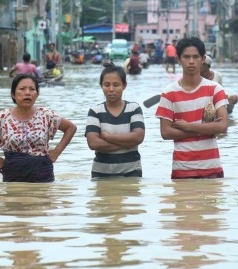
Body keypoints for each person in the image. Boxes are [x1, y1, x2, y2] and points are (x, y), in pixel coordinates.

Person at [0, 74, 77, 182]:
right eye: (22, 89)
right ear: (13, 94)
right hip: (13, 175)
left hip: (43, 175)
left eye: (32, 89)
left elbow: (71, 127)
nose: (27, 93)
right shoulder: (2, 117)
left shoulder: (46, 115)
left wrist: (56, 152)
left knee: (44, 198)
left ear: (37, 94)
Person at [155, 37, 229, 179]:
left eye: (195, 57)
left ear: (203, 59)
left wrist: (188, 126)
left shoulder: (215, 89)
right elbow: (165, 133)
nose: (191, 61)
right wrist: (206, 128)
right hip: (182, 169)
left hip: (211, 168)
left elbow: (223, 126)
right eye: (186, 57)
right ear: (178, 59)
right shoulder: (169, 93)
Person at [85, 63, 145, 178]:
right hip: (101, 175)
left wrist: (108, 137)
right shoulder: (95, 111)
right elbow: (93, 143)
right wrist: (127, 143)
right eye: (107, 85)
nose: (111, 89)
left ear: (124, 86)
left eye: (116, 85)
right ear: (101, 86)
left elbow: (138, 137)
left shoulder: (134, 109)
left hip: (132, 173)